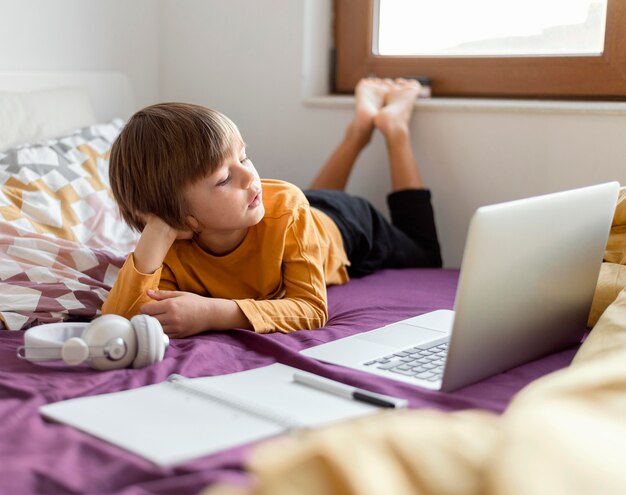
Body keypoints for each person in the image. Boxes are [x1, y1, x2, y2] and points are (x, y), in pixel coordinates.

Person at [102, 78, 441, 338]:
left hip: (346, 227)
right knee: (301, 199)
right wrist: (158, 231)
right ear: (183, 219)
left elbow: (310, 309)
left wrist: (214, 313)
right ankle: (358, 130)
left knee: (426, 254)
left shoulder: (285, 210)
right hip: (293, 212)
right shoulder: (171, 246)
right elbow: (114, 324)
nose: (251, 177)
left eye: (244, 156)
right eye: (224, 179)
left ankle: (391, 129)